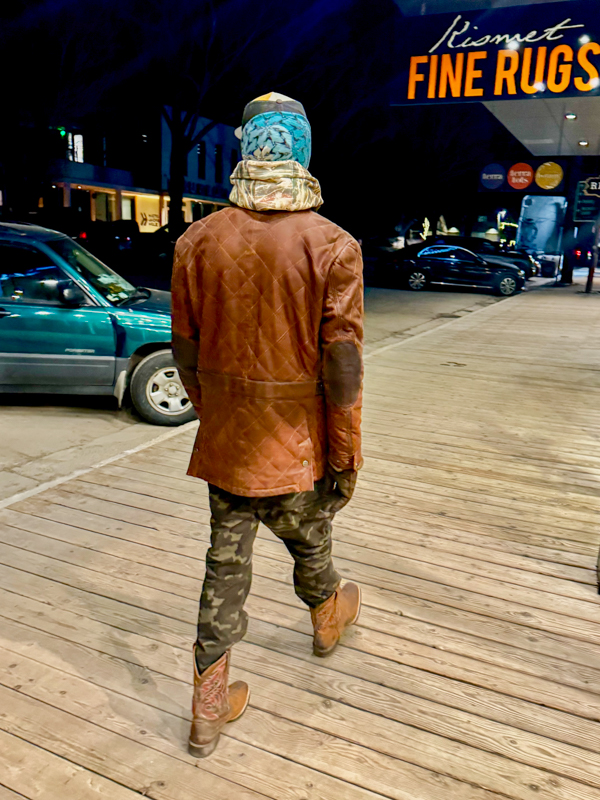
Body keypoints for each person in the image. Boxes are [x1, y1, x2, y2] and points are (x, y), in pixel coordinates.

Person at [171, 91, 364, 759]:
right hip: (295, 440)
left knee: (224, 565)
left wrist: (217, 408)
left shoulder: (197, 240)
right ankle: (327, 621)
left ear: (245, 149)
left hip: (228, 439)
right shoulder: (333, 245)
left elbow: (186, 352)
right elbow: (343, 369)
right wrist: (346, 456)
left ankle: (206, 710)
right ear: (302, 149)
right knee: (310, 541)